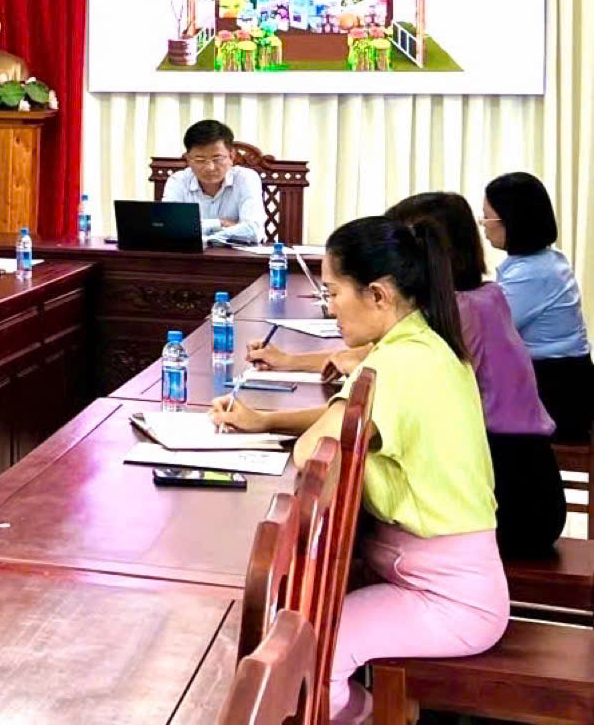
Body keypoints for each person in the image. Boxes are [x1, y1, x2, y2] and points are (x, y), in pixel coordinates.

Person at [213, 216, 507, 722]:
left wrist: (275, 424)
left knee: (310, 658)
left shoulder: (398, 365)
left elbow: (315, 451)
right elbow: (348, 419)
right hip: (432, 578)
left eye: (333, 292)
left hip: (449, 598)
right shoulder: (417, 344)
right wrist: (264, 420)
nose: (329, 307)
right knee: (306, 638)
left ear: (377, 295)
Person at [247, 191, 564, 555]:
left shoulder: (445, 326)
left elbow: (330, 435)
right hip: (510, 479)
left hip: (517, 486)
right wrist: (287, 370)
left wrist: (267, 420)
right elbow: (357, 380)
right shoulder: (454, 313)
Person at [482, 171, 593, 442]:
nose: (483, 226)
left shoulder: (533, 273)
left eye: (487, 218)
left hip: (557, 390)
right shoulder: (546, 260)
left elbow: (489, 330)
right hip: (560, 378)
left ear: (511, 221)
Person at [160, 118, 266, 243]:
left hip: (236, 254)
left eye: (217, 159)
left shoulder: (246, 178)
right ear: (188, 159)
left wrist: (200, 231)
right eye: (200, 160)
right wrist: (221, 223)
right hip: (191, 254)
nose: (210, 167)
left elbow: (253, 231)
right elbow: (170, 228)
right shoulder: (178, 181)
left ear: (232, 156)